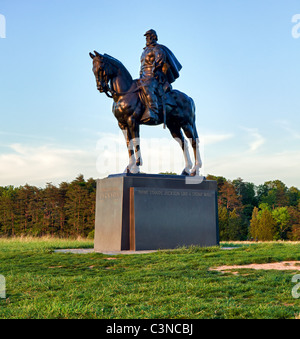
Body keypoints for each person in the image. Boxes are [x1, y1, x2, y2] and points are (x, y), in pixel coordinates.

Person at [139, 29, 182, 124]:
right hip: (143, 77)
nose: (147, 38)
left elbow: (160, 61)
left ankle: (153, 111)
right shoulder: (144, 52)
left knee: (147, 87)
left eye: (149, 36)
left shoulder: (157, 49)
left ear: (154, 37)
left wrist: (154, 71)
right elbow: (142, 66)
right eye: (146, 37)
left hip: (154, 77)